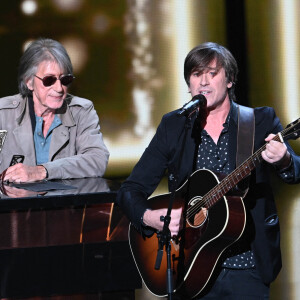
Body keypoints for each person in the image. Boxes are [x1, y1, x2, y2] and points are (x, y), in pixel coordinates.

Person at [116, 42, 300, 299]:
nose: (203, 81)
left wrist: (283, 160)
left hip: (248, 266)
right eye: (196, 74)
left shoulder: (259, 121)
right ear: (189, 85)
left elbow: (296, 171)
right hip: (189, 268)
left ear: (230, 80)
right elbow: (130, 190)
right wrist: (149, 218)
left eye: (212, 73)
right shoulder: (174, 125)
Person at [0, 38, 109, 183]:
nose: (59, 88)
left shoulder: (82, 111)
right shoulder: (3, 113)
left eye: (65, 80)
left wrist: (42, 171)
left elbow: (97, 160)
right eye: (49, 80)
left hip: (65, 204)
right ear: (29, 82)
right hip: (14, 205)